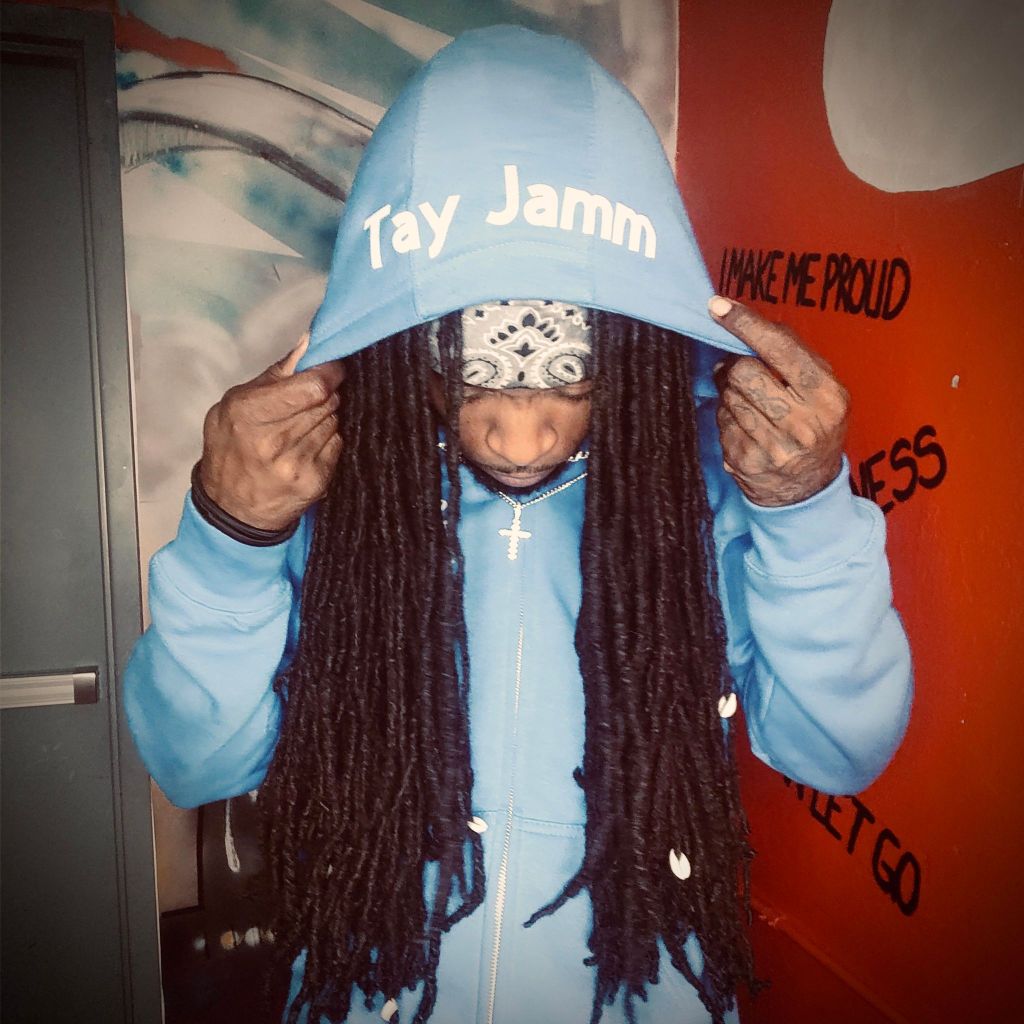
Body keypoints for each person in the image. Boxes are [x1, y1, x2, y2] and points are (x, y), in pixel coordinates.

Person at [124, 25, 912, 1024]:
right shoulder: (326, 498)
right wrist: (233, 536)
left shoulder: (704, 499)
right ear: (401, 344)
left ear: (628, 344)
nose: (519, 429)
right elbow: (193, 762)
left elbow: (839, 750)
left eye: (565, 369)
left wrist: (804, 513)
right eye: (469, 369)